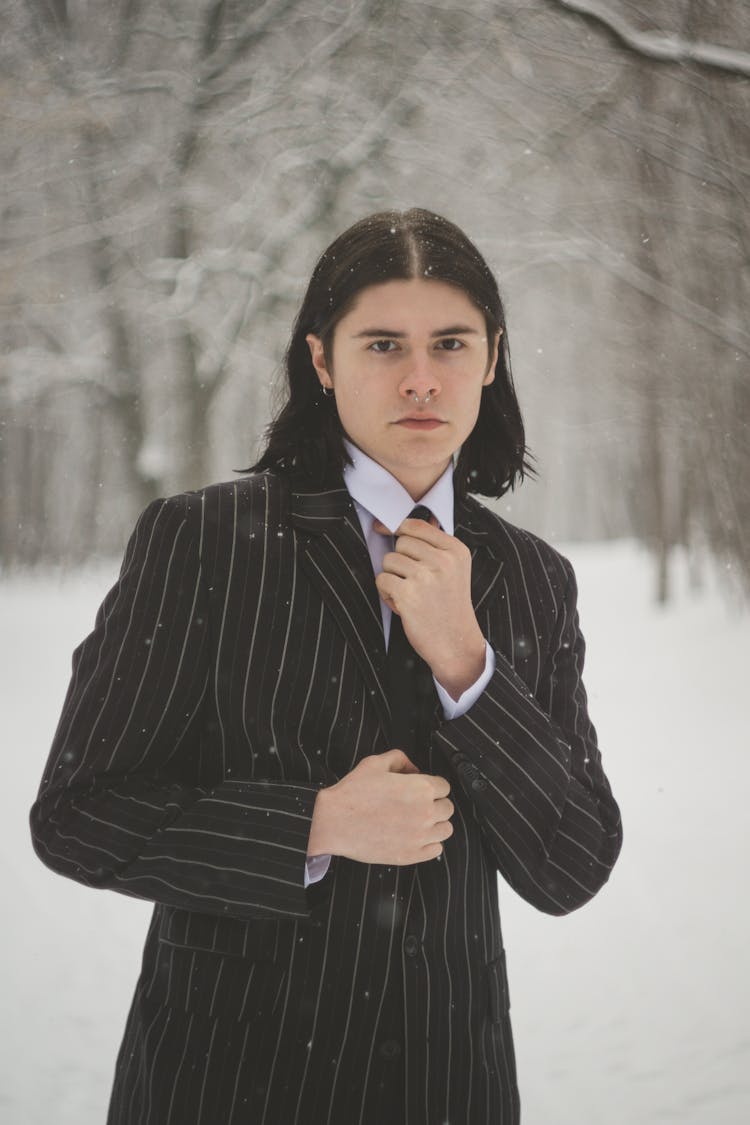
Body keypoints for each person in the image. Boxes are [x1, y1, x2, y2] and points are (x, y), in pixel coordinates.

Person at [30, 208, 623, 1125]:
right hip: (229, 1086)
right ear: (321, 359)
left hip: (450, 1087)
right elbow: (77, 813)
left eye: (451, 343)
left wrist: (469, 662)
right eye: (383, 343)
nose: (421, 378)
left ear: (493, 357)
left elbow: (573, 863)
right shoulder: (205, 543)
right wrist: (312, 823)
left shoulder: (534, 581)